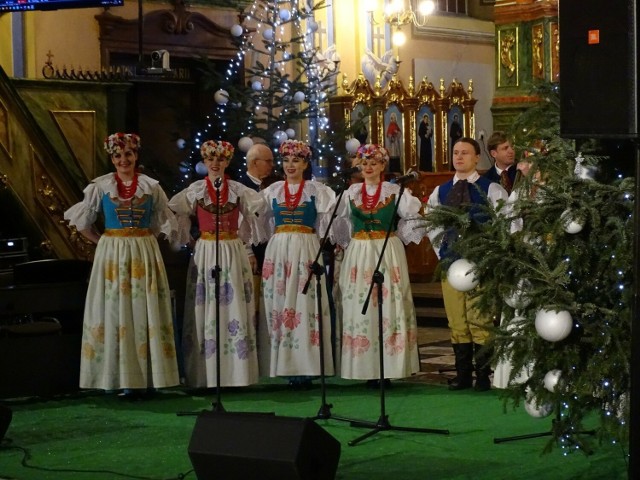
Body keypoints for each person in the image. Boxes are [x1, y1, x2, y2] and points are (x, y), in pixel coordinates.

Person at [63, 132, 180, 398]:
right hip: (113, 253)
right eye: (118, 155)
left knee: (143, 307)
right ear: (112, 158)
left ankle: (149, 377)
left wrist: (146, 239)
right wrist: (102, 240)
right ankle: (116, 377)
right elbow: (82, 221)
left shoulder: (151, 186)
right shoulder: (100, 187)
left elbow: (166, 221)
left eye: (128, 154)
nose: (123, 159)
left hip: (142, 250)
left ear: (136, 155)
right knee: (115, 309)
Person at [168, 140, 264, 389]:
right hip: (207, 250)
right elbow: (177, 213)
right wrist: (189, 239)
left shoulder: (239, 190)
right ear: (205, 161)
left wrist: (243, 238)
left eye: (220, 159)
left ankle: (236, 374)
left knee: (232, 307)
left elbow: (252, 217)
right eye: (211, 159)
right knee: (206, 305)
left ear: (227, 161)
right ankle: (205, 374)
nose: (215, 163)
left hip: (231, 249)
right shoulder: (196, 190)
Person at [332, 144, 423, 387]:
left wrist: (398, 236)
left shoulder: (396, 191)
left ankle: (389, 367)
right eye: (364, 163)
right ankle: (365, 367)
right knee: (360, 305)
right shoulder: (350, 192)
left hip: (387, 250)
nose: (369, 167)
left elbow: (413, 217)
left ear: (383, 165)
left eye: (374, 162)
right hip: (360, 252)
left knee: (390, 304)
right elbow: (340, 224)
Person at [426, 137, 508, 391]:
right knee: (457, 321)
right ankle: (463, 377)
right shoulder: (440, 191)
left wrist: (490, 253)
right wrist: (443, 253)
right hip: (452, 264)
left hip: (479, 263)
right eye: (455, 153)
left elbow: (505, 223)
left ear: (476, 158)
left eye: (465, 153)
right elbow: (433, 224)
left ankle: (483, 377)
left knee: (480, 320)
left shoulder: (491, 189)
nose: (459, 157)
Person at [259, 139, 336, 388]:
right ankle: (283, 364)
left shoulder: (317, 191)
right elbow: (259, 222)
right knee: (279, 303)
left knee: (306, 303)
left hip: (306, 247)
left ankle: (307, 365)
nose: (290, 165)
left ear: (305, 163)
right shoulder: (271, 192)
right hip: (280, 249)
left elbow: (330, 224)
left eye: (296, 160)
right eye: (286, 160)